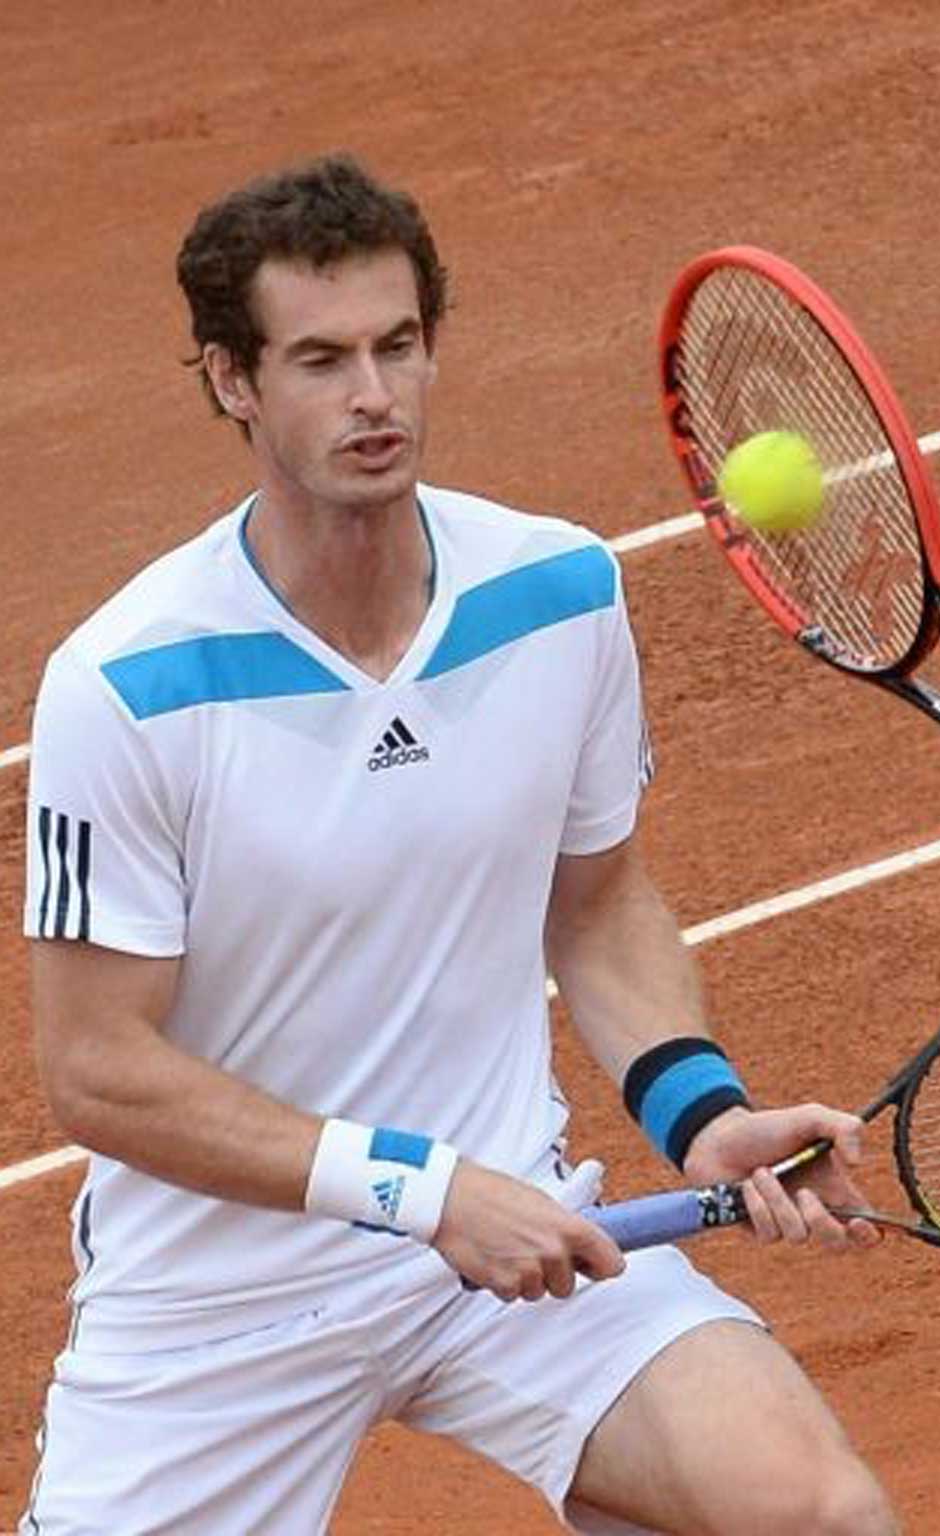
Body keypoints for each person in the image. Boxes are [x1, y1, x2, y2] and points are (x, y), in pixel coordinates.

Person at [20, 153, 895, 1536]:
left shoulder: (557, 592)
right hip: (221, 1306)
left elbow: (598, 905)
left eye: (399, 346)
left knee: (816, 1514)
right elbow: (98, 1072)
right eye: (319, 360)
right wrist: (420, 1193)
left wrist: (703, 1112)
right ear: (231, 381)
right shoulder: (128, 685)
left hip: (517, 1242)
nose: (373, 396)